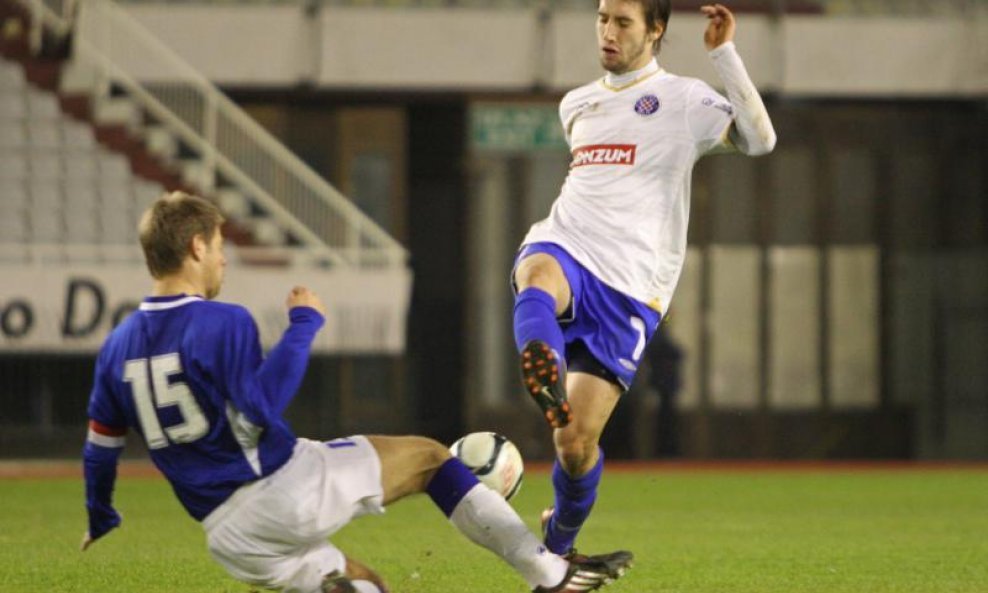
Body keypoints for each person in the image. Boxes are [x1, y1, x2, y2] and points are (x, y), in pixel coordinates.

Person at [81, 191, 634, 593]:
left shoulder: (116, 346)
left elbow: (100, 447)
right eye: (220, 245)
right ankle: (551, 573)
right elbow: (261, 406)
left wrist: (100, 512)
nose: (224, 258)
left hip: (227, 537)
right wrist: (303, 324)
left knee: (363, 583)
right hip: (283, 488)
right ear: (198, 246)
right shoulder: (220, 322)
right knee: (429, 460)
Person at [513, 1, 776, 555]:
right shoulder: (576, 104)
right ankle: (544, 365)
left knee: (574, 445)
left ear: (656, 30)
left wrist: (723, 55)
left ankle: (558, 544)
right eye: (603, 18)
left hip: (630, 285)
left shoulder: (684, 99)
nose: (608, 32)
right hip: (567, 242)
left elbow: (760, 141)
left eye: (623, 22)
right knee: (537, 273)